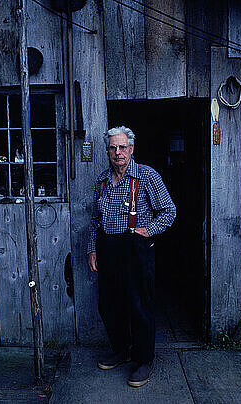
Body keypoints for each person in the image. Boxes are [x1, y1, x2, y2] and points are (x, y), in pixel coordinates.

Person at [87, 126, 176, 387]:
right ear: (107, 151)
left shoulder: (147, 176)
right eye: (113, 148)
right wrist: (92, 249)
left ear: (132, 148)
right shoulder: (102, 181)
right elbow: (95, 220)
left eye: (123, 147)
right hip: (108, 248)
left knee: (139, 304)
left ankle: (143, 360)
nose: (118, 152)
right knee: (109, 304)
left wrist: (148, 230)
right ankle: (122, 349)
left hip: (136, 247)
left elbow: (169, 212)